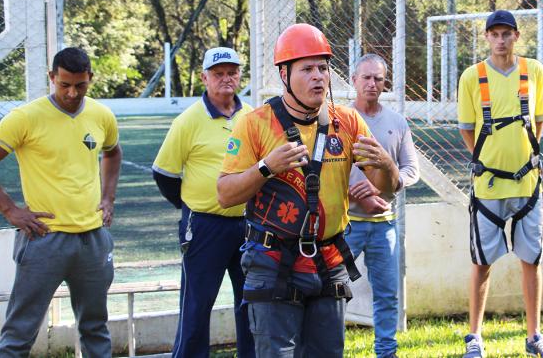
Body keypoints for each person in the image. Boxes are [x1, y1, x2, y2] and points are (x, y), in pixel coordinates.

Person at [217, 23, 399, 357]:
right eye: (307, 69)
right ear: (284, 74)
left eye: (323, 68)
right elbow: (225, 195)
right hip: (272, 262)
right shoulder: (255, 123)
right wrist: (266, 167)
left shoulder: (347, 122)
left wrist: (388, 166)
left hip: (328, 262)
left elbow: (387, 189)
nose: (318, 76)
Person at [0, 47, 121, 357]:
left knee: (95, 328)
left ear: (90, 79)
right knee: (20, 331)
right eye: (64, 84)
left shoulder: (101, 115)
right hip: (44, 237)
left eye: (80, 85)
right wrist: (9, 209)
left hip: (93, 239)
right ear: (52, 78)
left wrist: (108, 198)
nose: (72, 93)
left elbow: (113, 151)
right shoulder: (25, 117)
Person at [457, 10, 543, 358]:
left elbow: (538, 123)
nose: (500, 40)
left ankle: (534, 337)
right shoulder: (472, 76)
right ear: (486, 37)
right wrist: (486, 162)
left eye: (507, 33)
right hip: (488, 188)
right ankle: (474, 337)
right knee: (482, 262)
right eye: (494, 34)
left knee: (532, 259)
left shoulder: (534, 71)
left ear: (517, 36)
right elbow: (466, 128)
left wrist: (525, 157)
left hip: (528, 185)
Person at [152, 47, 255, 358]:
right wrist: (193, 207)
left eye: (231, 72)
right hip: (204, 227)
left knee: (252, 303)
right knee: (197, 305)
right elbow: (164, 174)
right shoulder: (188, 120)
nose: (226, 78)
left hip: (249, 225)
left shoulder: (252, 116)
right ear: (204, 77)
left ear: (239, 75)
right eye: (218, 73)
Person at [345, 53, 420, 358]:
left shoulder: (396, 122)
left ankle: (386, 353)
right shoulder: (339, 121)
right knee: (333, 294)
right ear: (354, 81)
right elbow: (322, 171)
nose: (372, 83)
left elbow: (411, 170)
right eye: (366, 77)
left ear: (385, 83)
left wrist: (387, 186)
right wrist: (355, 192)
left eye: (378, 78)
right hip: (345, 224)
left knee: (388, 297)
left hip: (384, 225)